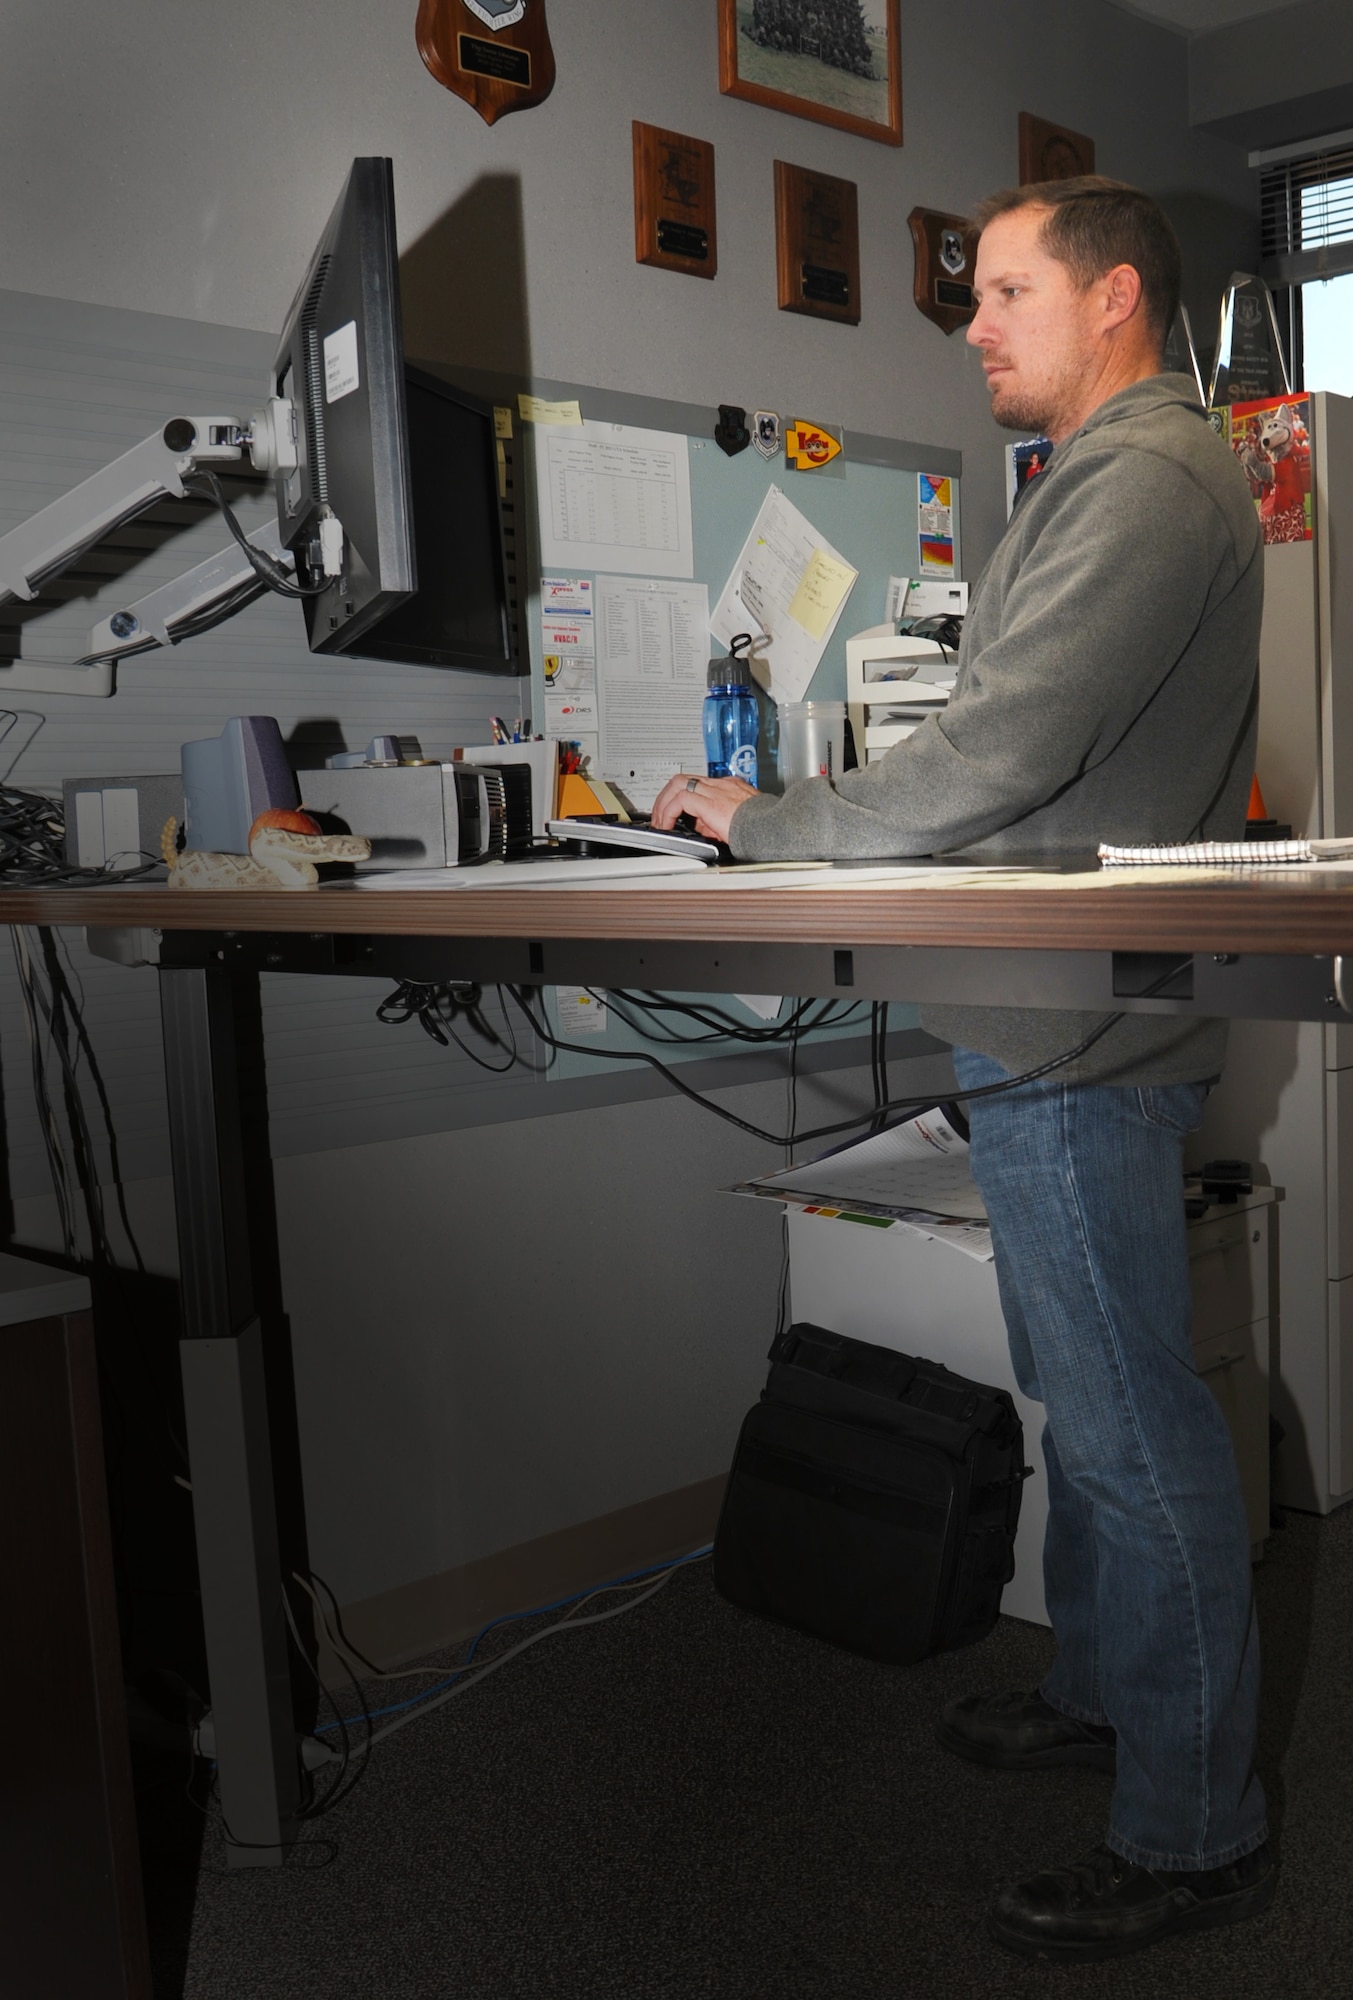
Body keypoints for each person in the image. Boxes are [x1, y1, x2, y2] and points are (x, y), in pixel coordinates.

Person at [652, 176, 1272, 1963]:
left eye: (1006, 292)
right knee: (1095, 1395)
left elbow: (997, 746)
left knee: (1136, 1423)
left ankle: (1195, 1826)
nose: (973, 324)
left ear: (1116, 300)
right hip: (1046, 1017)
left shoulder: (1148, 477)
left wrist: (769, 826)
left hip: (1075, 1030)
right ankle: (1098, 1687)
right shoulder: (1102, 476)